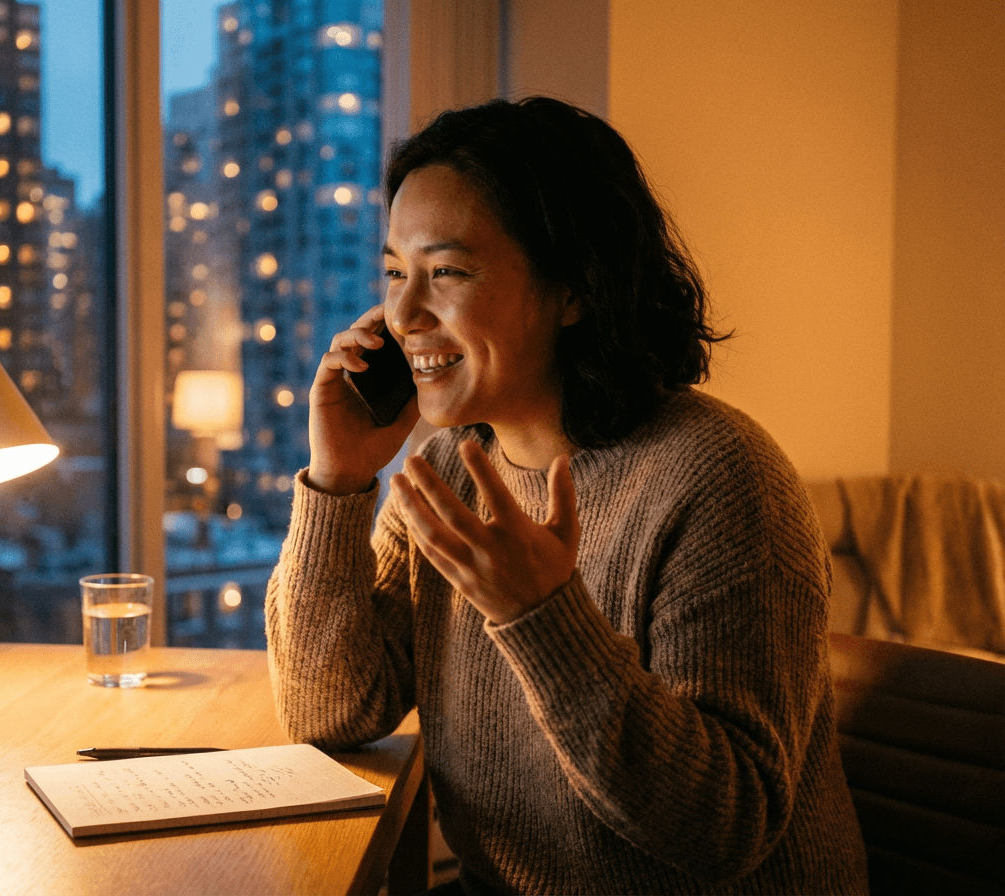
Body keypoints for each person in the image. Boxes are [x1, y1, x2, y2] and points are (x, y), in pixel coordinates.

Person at [265, 97, 869, 895]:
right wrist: (337, 480)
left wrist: (542, 618)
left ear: (575, 288)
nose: (402, 315)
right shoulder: (451, 466)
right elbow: (328, 713)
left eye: (447, 272)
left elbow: (727, 828)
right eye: (395, 273)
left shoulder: (722, 477)